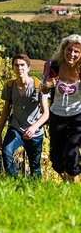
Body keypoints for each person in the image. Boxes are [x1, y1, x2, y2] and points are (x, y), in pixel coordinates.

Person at [0, 54, 49, 178]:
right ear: (13, 68)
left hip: (35, 132)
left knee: (35, 167)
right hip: (15, 129)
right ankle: (13, 181)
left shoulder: (38, 86)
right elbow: (5, 111)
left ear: (28, 68)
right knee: (6, 152)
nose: (19, 68)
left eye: (22, 65)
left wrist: (33, 128)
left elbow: (46, 113)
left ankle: (35, 191)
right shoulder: (9, 86)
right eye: (16, 65)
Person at [42, 34, 81, 182]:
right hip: (57, 115)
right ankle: (67, 181)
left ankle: (73, 187)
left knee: (71, 153)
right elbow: (44, 90)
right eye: (69, 50)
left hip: (77, 115)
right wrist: (46, 85)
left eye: (76, 51)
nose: (72, 54)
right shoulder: (54, 66)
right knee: (56, 159)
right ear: (63, 49)